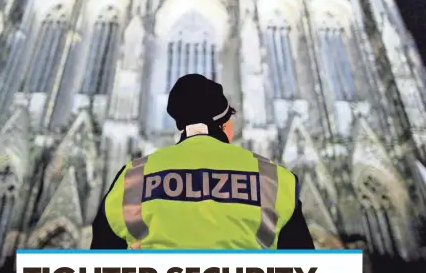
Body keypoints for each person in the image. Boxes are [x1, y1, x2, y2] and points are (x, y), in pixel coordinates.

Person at [91, 74, 316, 249]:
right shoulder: (274, 178)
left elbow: (102, 257)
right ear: (224, 122)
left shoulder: (133, 177)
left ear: (179, 123)